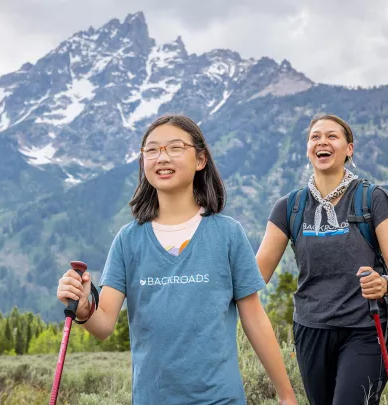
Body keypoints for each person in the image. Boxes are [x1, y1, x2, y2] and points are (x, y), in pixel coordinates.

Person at [57, 114, 298, 404]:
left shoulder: (227, 234)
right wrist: (83, 308)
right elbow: (104, 324)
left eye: (175, 148)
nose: (162, 157)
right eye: (152, 150)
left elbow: (255, 320)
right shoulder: (128, 240)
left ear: (200, 160)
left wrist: (286, 395)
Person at [256, 113, 388, 404]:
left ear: (348, 149)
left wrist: (384, 283)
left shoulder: (372, 199)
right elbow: (255, 277)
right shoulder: (289, 207)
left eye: (332, 136)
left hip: (364, 330)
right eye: (315, 136)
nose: (322, 142)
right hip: (310, 331)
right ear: (307, 148)